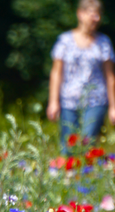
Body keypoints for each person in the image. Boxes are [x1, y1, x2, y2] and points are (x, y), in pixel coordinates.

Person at [47, 0, 115, 152]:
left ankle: (85, 173)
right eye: (93, 14)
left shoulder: (104, 42)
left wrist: (113, 107)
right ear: (80, 14)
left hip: (96, 100)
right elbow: (56, 73)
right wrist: (53, 101)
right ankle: (67, 174)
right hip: (68, 101)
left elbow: (110, 77)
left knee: (87, 141)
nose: (96, 18)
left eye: (99, 14)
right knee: (68, 145)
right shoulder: (64, 41)